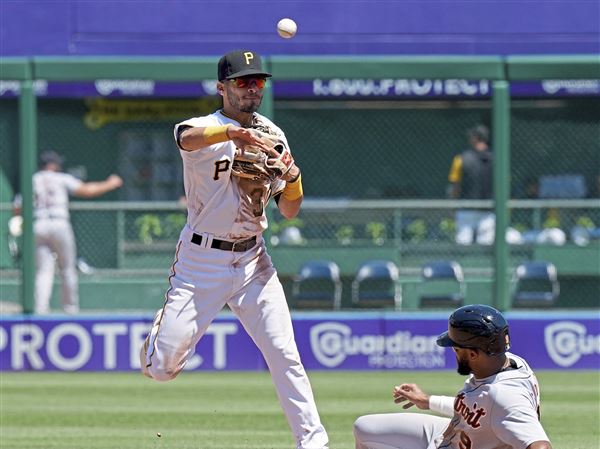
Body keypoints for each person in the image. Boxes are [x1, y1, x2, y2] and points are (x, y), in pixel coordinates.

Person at [140, 50, 329, 449]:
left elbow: (290, 210)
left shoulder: (273, 135)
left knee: (284, 353)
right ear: (222, 87)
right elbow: (183, 137)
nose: (251, 88)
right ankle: (163, 327)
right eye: (243, 82)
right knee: (161, 369)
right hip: (200, 262)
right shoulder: (206, 126)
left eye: (257, 82)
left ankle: (314, 443)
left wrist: (293, 176)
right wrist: (232, 134)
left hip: (252, 260)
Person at [354, 304, 553, 449]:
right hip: (450, 435)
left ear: (473, 354)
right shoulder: (507, 361)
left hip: (462, 441)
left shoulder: (504, 396)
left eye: (456, 348)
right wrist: (427, 401)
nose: (453, 352)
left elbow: (540, 445)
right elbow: (479, 410)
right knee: (364, 427)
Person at [13, 150, 123, 314]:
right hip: (59, 223)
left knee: (43, 270)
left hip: (39, 224)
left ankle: (40, 310)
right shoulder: (60, 178)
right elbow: (86, 190)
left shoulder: (32, 180)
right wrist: (109, 183)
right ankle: (70, 309)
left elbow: (17, 208)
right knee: (67, 268)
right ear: (52, 164)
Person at [447, 125, 495, 245]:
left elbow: (455, 186)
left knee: (463, 245)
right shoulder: (497, 159)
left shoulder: (461, 159)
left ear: (475, 138)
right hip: (488, 209)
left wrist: (454, 204)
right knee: (486, 247)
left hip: (466, 208)